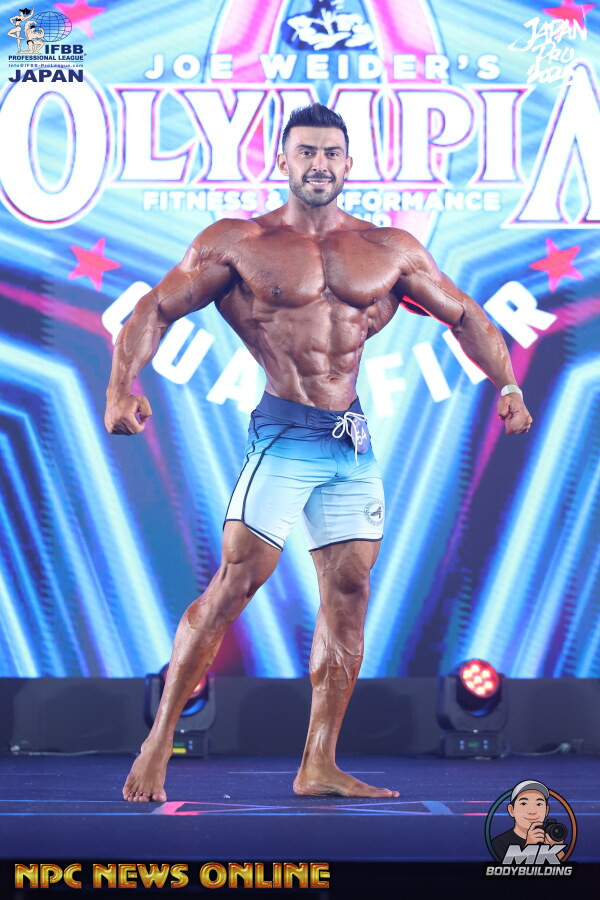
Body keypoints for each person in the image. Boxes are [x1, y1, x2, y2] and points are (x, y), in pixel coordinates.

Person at [105, 103, 533, 802]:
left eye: (331, 153)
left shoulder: (388, 248)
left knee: (350, 594)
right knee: (236, 584)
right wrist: (121, 386)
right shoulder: (240, 242)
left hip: (350, 444)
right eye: (306, 152)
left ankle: (319, 763)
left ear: (349, 163)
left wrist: (508, 384)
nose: (320, 164)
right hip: (283, 435)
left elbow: (464, 314)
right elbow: (154, 307)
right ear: (282, 161)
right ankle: (158, 743)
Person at [492, 781, 566, 861]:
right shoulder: (498, 844)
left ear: (546, 811)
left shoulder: (551, 838)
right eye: (524, 804)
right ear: (511, 810)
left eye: (539, 804)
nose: (532, 811)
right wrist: (529, 847)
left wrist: (557, 850)